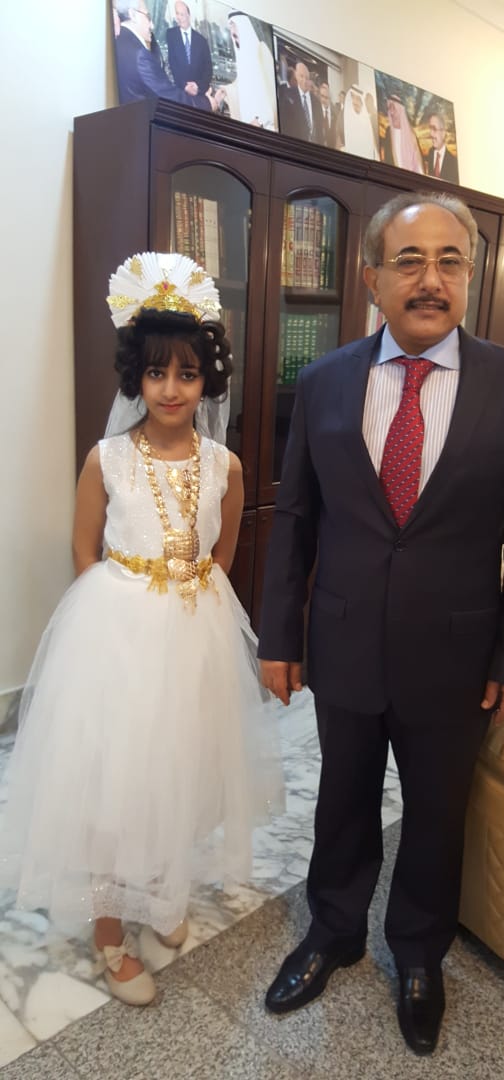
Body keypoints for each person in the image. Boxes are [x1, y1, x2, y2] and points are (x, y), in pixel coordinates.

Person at [258, 191, 504, 1055]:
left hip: (457, 654)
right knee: (342, 798)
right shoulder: (322, 381)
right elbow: (295, 520)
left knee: (436, 812)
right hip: (345, 638)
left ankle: (420, 954)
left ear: (470, 275)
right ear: (372, 279)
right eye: (410, 261)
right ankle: (333, 931)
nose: (431, 279)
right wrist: (280, 638)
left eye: (449, 261)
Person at [0, 252, 283, 1007]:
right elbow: (83, 548)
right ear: (136, 377)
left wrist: (192, 597)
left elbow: (223, 554)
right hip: (117, 636)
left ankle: (162, 891)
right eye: (157, 373)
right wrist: (113, 613)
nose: (171, 389)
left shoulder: (225, 466)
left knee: (178, 768)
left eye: (187, 374)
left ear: (207, 381)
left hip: (195, 633)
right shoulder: (108, 459)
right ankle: (108, 931)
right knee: (113, 778)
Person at [114, 1, 200, 107]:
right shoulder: (140, 54)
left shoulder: (117, 41)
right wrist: (206, 104)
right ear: (133, 15)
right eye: (148, 17)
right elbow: (168, 98)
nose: (152, 25)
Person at [213, 11, 278, 130]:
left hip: (265, 128)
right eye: (230, 26)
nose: (232, 30)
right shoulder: (242, 56)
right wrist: (225, 91)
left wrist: (260, 120)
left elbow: (273, 95)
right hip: (248, 127)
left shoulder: (261, 50)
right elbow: (241, 84)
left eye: (234, 25)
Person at [166, 1, 213, 109]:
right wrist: (184, 86)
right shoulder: (171, 35)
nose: (179, 18)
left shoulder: (201, 41)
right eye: (177, 14)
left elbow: (208, 70)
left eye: (182, 14)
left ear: (189, 15)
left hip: (198, 97)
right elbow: (172, 63)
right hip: (179, 94)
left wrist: (198, 86)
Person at [278, 60, 323, 143]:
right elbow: (284, 125)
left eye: (307, 78)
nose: (304, 80)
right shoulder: (287, 95)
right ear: (296, 76)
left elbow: (320, 131)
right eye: (301, 76)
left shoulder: (316, 102)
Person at [380, 93, 424, 174]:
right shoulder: (388, 132)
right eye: (389, 108)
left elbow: (418, 165)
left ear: (400, 109)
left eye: (393, 107)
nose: (391, 112)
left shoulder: (411, 135)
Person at [341, 84, 379, 159]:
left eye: (358, 98)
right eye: (353, 97)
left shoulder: (367, 122)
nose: (355, 101)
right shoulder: (345, 121)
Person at [425, 111, 458, 182]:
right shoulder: (430, 153)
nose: (431, 134)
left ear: (443, 133)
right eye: (430, 129)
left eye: (434, 129)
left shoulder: (453, 163)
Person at [318, 82, 337, 148]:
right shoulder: (315, 112)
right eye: (322, 96)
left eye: (326, 97)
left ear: (330, 99)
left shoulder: (334, 115)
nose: (323, 99)